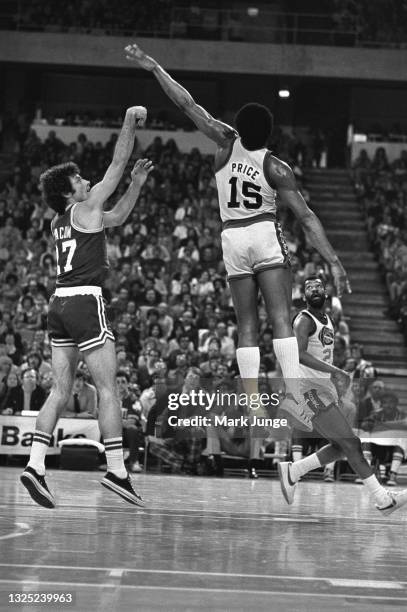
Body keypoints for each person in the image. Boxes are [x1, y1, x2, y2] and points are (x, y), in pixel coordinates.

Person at [125, 43, 351, 433]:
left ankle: (250, 403)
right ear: (269, 133)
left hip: (231, 238)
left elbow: (188, 104)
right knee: (280, 319)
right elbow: (308, 218)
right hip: (262, 231)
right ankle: (293, 393)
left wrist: (155, 67)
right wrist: (333, 260)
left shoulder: (224, 142)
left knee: (246, 325)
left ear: (239, 127)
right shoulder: (277, 167)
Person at [20, 105, 153, 509]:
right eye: (78, 178)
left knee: (59, 390)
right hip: (84, 302)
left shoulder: (60, 221)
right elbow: (116, 161)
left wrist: (137, 184)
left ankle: (35, 466)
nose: (85, 179)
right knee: (109, 389)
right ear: (68, 191)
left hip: (58, 304)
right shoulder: (86, 205)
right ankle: (116, 470)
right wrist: (129, 120)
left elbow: (116, 217)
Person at [277, 276, 407, 515]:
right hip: (307, 389)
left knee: (340, 447)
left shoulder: (327, 319)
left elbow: (320, 355)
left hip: (322, 388)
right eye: (308, 288)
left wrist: (332, 380)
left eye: (318, 286)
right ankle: (382, 499)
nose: (314, 289)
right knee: (352, 443)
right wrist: (335, 370)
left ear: (326, 293)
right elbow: (299, 355)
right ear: (304, 296)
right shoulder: (304, 320)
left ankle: (293, 471)